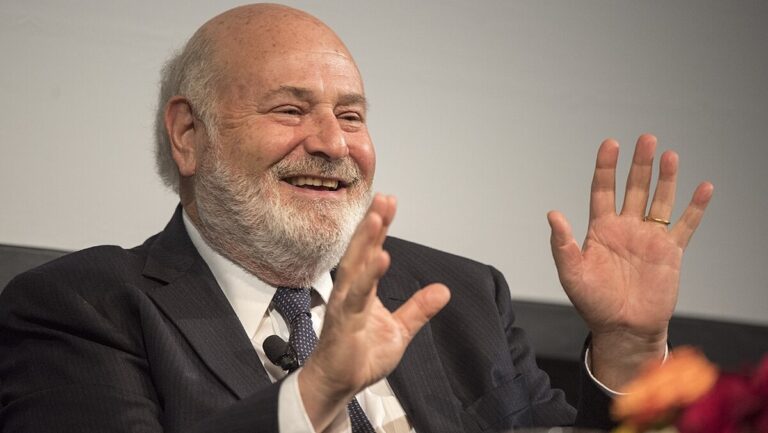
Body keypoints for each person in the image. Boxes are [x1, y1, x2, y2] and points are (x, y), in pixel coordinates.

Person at [0, 4, 713, 433]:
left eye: (351, 116)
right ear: (189, 134)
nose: (334, 144)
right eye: (289, 109)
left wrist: (628, 345)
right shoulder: (86, 306)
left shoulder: (460, 296)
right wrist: (313, 393)